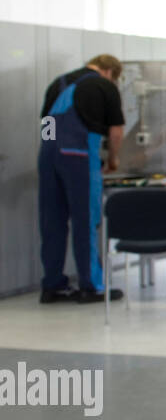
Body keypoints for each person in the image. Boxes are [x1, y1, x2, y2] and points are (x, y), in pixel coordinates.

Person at [38, 54, 127, 304]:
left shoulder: (58, 83)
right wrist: (112, 160)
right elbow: (116, 132)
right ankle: (91, 285)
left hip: (48, 155)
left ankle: (52, 285)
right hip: (78, 156)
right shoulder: (104, 85)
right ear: (110, 72)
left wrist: (53, 148)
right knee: (85, 222)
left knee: (51, 222)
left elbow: (47, 123)